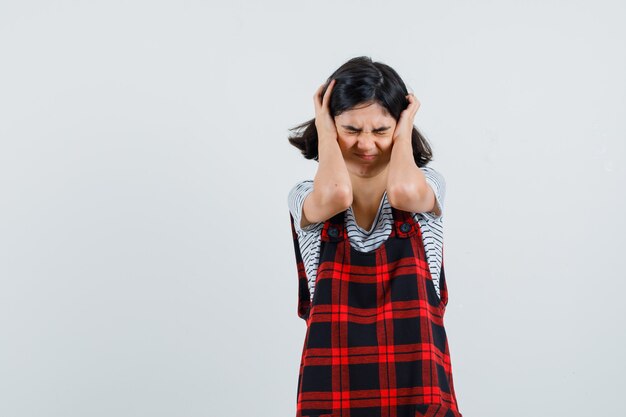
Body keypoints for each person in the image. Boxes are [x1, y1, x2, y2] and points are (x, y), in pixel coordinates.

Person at [287, 56, 463, 417]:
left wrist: (405, 126)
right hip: (333, 392)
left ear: (399, 129)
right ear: (329, 127)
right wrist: (323, 127)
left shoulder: (427, 186)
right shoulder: (305, 194)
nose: (366, 144)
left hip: (419, 392)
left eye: (381, 131)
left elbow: (401, 191)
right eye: (350, 129)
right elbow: (336, 193)